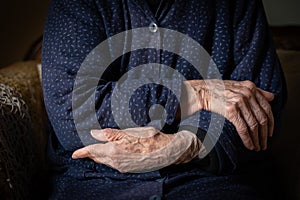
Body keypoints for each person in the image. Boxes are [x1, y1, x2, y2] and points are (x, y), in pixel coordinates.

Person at [42, 0, 287, 199]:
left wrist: (184, 145)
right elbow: (72, 112)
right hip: (99, 180)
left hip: (212, 179)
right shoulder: (75, 5)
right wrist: (193, 94)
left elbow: (262, 108)